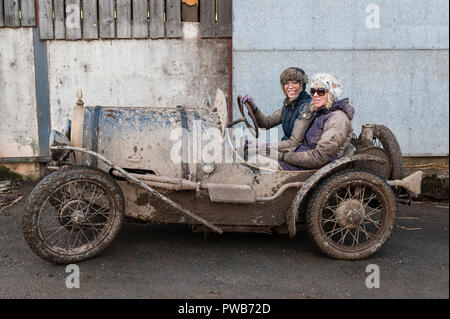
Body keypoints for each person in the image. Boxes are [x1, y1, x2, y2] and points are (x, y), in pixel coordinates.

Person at [278, 73, 354, 171]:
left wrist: (282, 156)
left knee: (262, 168)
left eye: (321, 91)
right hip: (302, 158)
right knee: (261, 157)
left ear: (331, 94)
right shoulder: (319, 112)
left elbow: (319, 157)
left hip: (314, 169)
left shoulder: (337, 119)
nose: (315, 95)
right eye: (313, 91)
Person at [241, 67, 312, 152]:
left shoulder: (306, 107)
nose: (290, 87)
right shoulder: (288, 106)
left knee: (256, 158)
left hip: (300, 153)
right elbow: (266, 123)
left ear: (302, 85)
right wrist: (253, 108)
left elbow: (294, 142)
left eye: (295, 82)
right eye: (286, 83)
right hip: (288, 150)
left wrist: (263, 146)